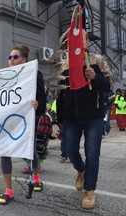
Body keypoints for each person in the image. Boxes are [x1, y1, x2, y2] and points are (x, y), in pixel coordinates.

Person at [57, 52, 114, 209]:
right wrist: (59, 119)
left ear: (86, 40)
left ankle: (89, 190)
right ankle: (81, 170)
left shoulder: (97, 60)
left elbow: (109, 85)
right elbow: (61, 91)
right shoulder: (66, 63)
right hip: (71, 118)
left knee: (93, 153)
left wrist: (95, 77)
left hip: (93, 116)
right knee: (69, 149)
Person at [0, 45, 46, 205]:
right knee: (4, 150)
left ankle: (36, 177)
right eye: (9, 57)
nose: (11, 60)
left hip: (25, 117)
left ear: (24, 59)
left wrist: (38, 104)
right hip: (7, 118)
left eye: (15, 57)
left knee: (29, 149)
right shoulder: (4, 75)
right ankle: (8, 190)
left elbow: (41, 97)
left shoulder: (34, 73)